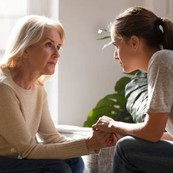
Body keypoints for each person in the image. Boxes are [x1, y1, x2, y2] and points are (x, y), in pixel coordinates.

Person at [0, 15, 115, 173]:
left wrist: (94, 142)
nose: (57, 54)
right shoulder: (4, 88)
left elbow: (51, 137)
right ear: (25, 49)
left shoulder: (38, 89)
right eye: (49, 45)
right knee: (57, 168)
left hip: (16, 160)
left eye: (58, 47)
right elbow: (27, 150)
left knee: (74, 162)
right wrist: (88, 144)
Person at [92, 6, 173, 173]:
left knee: (125, 149)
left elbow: (152, 133)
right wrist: (127, 132)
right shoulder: (164, 60)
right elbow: (165, 136)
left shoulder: (161, 60)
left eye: (116, 45)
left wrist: (113, 125)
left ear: (134, 42)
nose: (115, 55)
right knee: (128, 143)